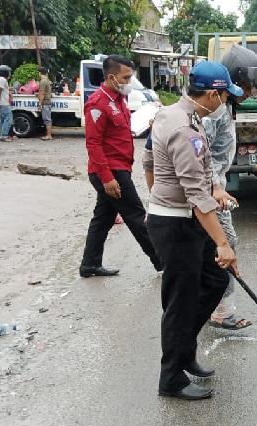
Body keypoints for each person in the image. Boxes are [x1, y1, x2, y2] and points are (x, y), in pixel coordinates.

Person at [143, 61, 242, 400]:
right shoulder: (184, 128)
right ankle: (170, 378)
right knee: (180, 303)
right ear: (213, 93)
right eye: (226, 96)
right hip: (176, 223)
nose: (226, 102)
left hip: (182, 219)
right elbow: (195, 194)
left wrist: (213, 189)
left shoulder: (176, 114)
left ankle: (184, 351)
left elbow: (150, 162)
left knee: (215, 280)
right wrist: (223, 243)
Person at [203, 44, 257, 331]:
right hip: (207, 189)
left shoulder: (225, 106)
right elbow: (199, 154)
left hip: (216, 185)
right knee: (224, 245)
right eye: (247, 86)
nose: (250, 93)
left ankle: (213, 305)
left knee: (217, 247)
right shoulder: (214, 111)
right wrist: (215, 188)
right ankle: (219, 310)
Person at [79, 54, 162, 278]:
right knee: (136, 215)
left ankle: (89, 264)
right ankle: (162, 261)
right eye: (125, 77)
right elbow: (93, 144)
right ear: (111, 76)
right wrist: (107, 178)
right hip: (109, 171)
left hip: (120, 167)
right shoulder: (97, 103)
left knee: (103, 219)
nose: (128, 82)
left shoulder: (118, 99)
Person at [0, 65, 13, 142]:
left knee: (2, 119)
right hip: (4, 103)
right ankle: (4, 136)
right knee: (7, 119)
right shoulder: (3, 80)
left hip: (0, 103)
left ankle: (2, 135)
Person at [37, 67, 53, 141]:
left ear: (40, 73)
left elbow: (42, 93)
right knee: (47, 119)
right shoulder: (48, 81)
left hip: (45, 102)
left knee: (47, 119)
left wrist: (40, 103)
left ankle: (49, 135)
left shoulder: (43, 82)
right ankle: (48, 134)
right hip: (48, 101)